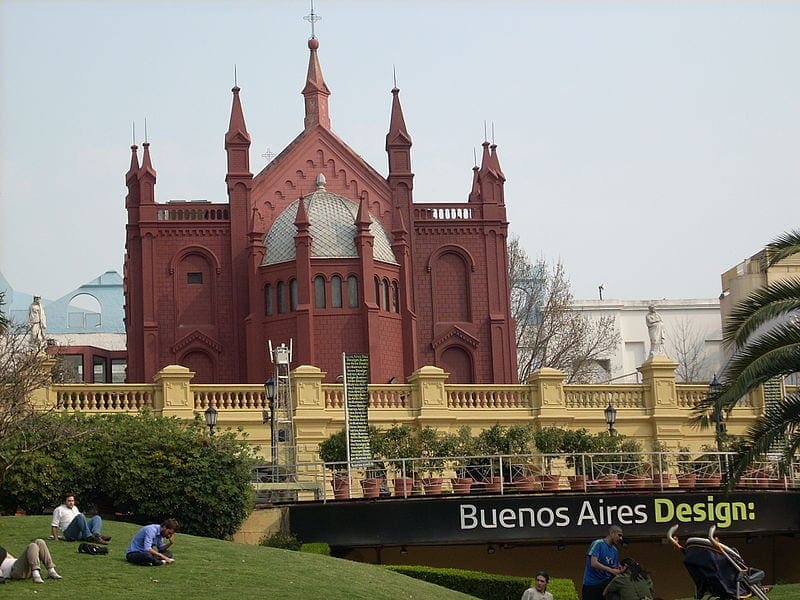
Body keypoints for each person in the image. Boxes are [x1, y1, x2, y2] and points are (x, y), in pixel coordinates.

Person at [582, 525, 624, 600]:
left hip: (605, 584)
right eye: (619, 535)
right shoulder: (598, 543)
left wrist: (620, 570)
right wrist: (611, 570)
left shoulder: (615, 550)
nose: (621, 538)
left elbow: (614, 567)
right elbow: (594, 563)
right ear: (612, 533)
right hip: (591, 585)